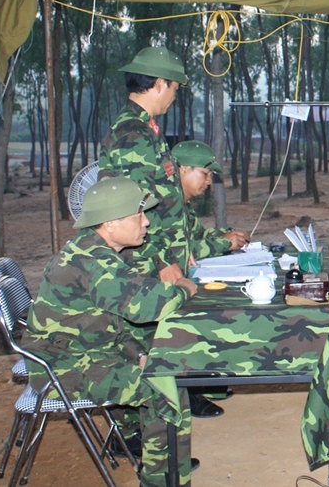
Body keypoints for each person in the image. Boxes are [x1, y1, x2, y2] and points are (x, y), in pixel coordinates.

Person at [22, 177, 199, 487]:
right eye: (138, 215)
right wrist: (184, 288)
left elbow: (114, 324)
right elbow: (147, 308)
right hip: (63, 370)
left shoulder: (97, 252)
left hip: (83, 353)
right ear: (112, 223)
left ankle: (154, 458)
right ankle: (161, 481)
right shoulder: (93, 263)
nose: (146, 222)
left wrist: (141, 354)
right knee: (165, 389)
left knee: (155, 362)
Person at [98, 46, 223, 418]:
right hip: (144, 263)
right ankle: (139, 438)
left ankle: (157, 426)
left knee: (158, 344)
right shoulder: (132, 136)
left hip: (158, 259)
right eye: (174, 87)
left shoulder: (145, 131)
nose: (174, 95)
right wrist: (160, 260)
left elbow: (162, 204)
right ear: (158, 83)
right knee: (143, 348)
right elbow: (131, 213)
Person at [172, 140, 250, 257]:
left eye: (211, 175)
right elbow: (175, 253)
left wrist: (230, 234)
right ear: (183, 169)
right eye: (205, 173)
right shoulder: (164, 206)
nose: (209, 181)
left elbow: (198, 236)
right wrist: (223, 243)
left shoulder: (183, 205)